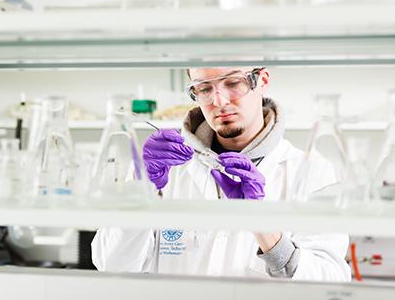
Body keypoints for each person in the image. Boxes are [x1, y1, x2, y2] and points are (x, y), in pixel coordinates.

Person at [91, 67, 351, 281]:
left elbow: (330, 283)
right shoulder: (163, 165)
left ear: (262, 80)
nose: (219, 101)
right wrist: (142, 188)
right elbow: (112, 265)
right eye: (204, 88)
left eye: (233, 82)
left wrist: (264, 227)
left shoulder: (314, 171)